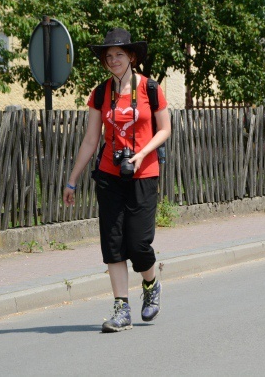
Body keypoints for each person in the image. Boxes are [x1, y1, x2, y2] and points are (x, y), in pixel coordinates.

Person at [63, 28, 171, 332]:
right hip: (110, 175)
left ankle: (150, 285)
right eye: (108, 56)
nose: (113, 60)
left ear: (132, 57)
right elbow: (90, 140)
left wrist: (141, 154)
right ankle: (121, 308)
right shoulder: (101, 93)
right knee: (112, 244)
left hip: (144, 173)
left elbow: (164, 130)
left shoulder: (151, 89)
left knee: (138, 244)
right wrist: (72, 180)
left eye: (119, 54)